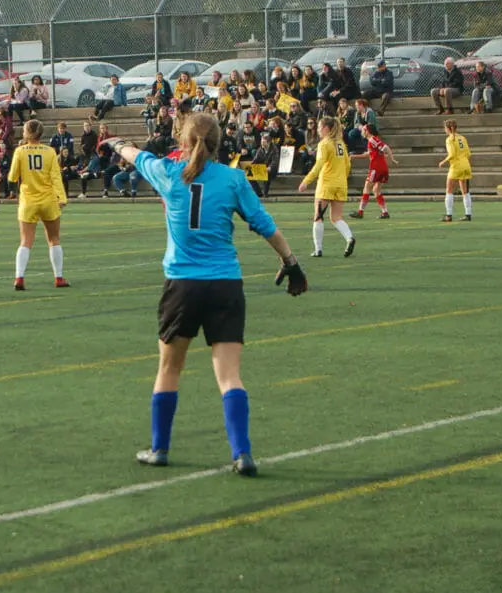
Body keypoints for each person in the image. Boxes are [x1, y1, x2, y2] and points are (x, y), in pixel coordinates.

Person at [100, 113, 306, 471]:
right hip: (225, 285)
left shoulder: (167, 172)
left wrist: (115, 143)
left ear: (182, 140)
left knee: (169, 368)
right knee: (229, 375)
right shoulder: (232, 179)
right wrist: (291, 262)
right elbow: (264, 225)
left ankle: (159, 449)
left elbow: (135, 155)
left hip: (182, 285)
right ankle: (242, 454)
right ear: (217, 143)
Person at [7, 119, 69, 290]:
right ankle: (58, 278)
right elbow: (56, 177)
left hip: (28, 201)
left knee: (26, 241)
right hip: (48, 200)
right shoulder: (49, 152)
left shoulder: (20, 151)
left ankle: (19, 278)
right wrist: (62, 198)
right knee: (54, 239)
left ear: (26, 133)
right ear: (41, 133)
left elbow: (12, 177)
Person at [299, 116, 356, 258]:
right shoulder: (341, 143)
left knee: (318, 216)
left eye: (319, 127)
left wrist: (307, 180)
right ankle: (349, 238)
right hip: (341, 184)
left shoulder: (324, 144)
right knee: (336, 217)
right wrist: (342, 177)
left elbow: (319, 164)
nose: (318, 130)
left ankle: (318, 249)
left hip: (326, 184)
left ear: (326, 128)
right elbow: (347, 165)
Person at [350, 124, 398, 219]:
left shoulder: (372, 139)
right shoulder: (372, 141)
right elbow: (371, 153)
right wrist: (355, 156)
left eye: (364, 130)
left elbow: (386, 148)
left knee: (366, 188)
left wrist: (392, 159)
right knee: (376, 190)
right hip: (383, 168)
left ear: (368, 131)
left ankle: (360, 212)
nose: (362, 131)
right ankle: (385, 212)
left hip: (376, 168)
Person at [439, 119, 473, 222]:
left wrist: (443, 161)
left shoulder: (449, 139)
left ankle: (448, 215)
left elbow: (452, 154)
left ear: (448, 129)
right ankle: (468, 214)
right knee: (465, 191)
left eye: (445, 128)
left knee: (449, 190)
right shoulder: (462, 138)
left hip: (456, 166)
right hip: (466, 165)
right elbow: (468, 153)